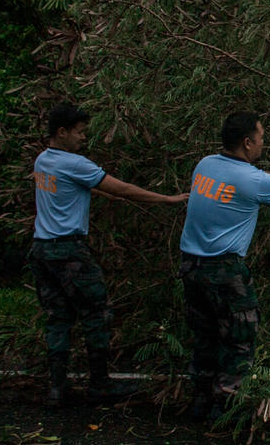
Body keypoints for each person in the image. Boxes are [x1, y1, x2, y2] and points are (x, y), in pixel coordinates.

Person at [30, 102, 188, 408]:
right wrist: (166, 199)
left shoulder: (43, 161)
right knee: (96, 313)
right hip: (68, 250)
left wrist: (101, 191)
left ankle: (57, 388)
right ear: (61, 132)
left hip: (41, 249)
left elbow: (75, 189)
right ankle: (100, 384)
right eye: (79, 132)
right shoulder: (76, 164)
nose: (83, 138)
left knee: (58, 317)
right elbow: (124, 189)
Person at [178, 112, 270, 420]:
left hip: (191, 265)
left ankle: (200, 402)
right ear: (247, 142)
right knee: (239, 336)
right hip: (224, 269)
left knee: (204, 335)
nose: (262, 143)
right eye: (260, 138)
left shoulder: (204, 165)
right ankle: (227, 408)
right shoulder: (254, 179)